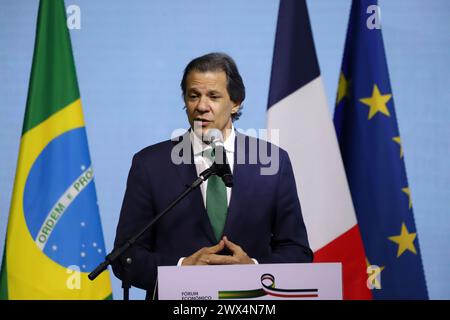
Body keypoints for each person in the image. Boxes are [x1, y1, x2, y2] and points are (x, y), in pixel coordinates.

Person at [112, 52, 313, 299]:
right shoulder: (150, 164)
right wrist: (180, 268)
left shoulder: (272, 161)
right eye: (193, 96)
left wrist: (254, 270)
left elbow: (297, 252)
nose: (201, 106)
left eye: (214, 96)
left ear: (236, 102)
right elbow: (125, 256)